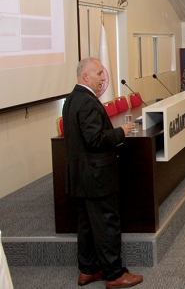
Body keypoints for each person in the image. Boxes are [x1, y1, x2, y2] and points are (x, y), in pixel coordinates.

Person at [63, 58, 143, 288]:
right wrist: (120, 132)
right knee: (107, 223)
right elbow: (94, 140)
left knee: (87, 224)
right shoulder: (87, 102)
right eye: (99, 73)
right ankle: (114, 274)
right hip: (97, 176)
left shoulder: (72, 99)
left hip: (82, 175)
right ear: (85, 76)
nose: (103, 78)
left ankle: (88, 270)